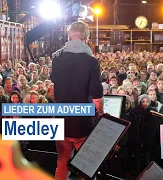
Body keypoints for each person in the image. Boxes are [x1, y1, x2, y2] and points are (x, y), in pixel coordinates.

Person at [50, 21, 104, 180]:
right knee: (87, 166)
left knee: (61, 164)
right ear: (86, 38)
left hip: (62, 120)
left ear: (69, 37)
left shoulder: (57, 58)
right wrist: (100, 114)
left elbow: (55, 84)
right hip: (82, 123)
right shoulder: (91, 62)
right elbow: (97, 96)